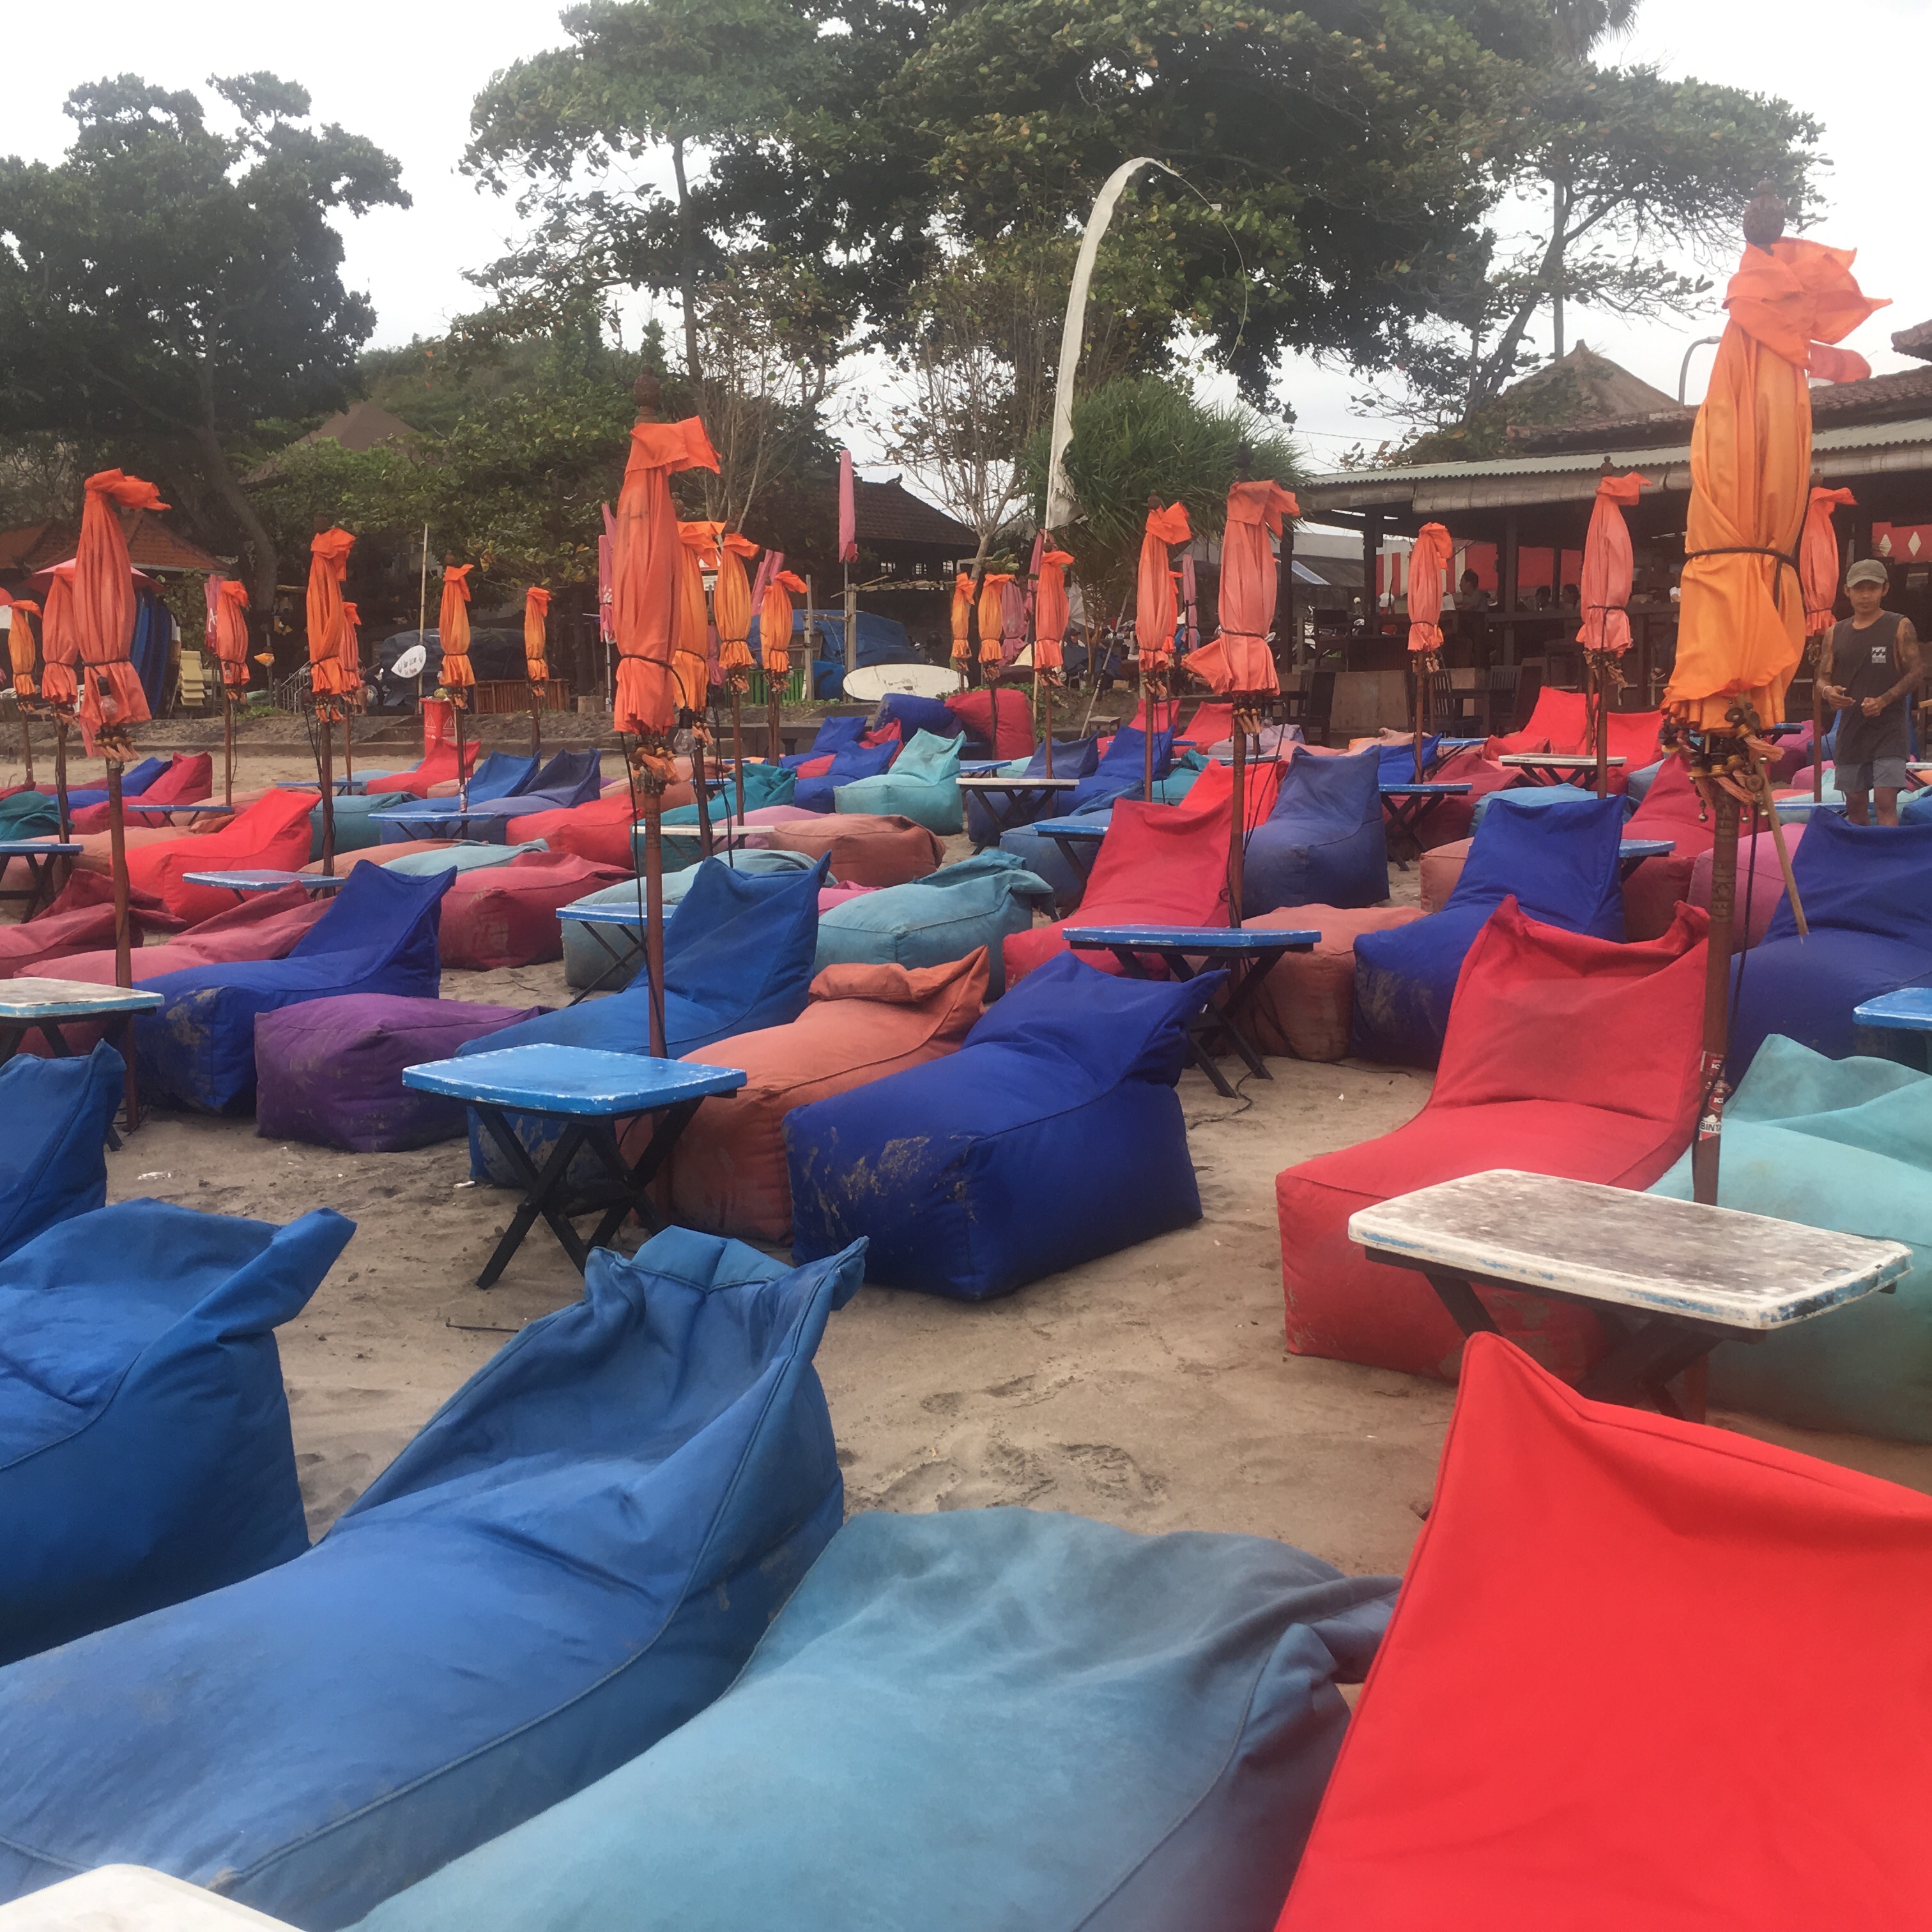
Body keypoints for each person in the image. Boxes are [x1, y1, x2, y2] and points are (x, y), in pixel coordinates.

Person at [1818, 558, 1922, 826]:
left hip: (1889, 730)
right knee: (1855, 803)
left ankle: (1886, 851)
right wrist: (1829, 692)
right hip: (1851, 731)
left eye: (1872, 588)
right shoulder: (1835, 633)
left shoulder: (1899, 626)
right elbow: (1822, 678)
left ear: (1884, 589)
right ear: (1847, 591)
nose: (1865, 595)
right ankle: (1861, 851)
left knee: (1886, 801)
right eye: (1859, 588)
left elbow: (1916, 673)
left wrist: (1884, 700)